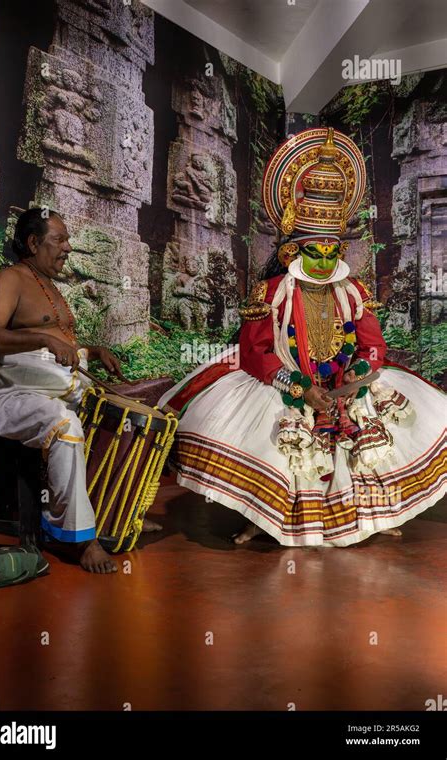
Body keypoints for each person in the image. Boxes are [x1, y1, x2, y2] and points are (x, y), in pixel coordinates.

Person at [159, 128, 447, 547]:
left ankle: (377, 516)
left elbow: (372, 345)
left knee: (392, 427)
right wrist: (298, 385)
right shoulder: (272, 293)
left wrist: (361, 371)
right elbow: (254, 353)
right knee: (277, 440)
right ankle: (264, 517)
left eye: (334, 253)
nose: (326, 260)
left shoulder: (354, 292)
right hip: (288, 382)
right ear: (295, 251)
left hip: (346, 385)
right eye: (317, 252)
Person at [0, 208, 125, 573]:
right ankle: (77, 538)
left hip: (51, 388)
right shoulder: (9, 278)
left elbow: (54, 348)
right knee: (65, 424)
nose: (68, 248)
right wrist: (43, 337)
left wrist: (90, 351)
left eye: (67, 239)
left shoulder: (50, 285)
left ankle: (118, 515)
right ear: (32, 243)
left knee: (118, 415)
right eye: (59, 239)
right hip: (12, 397)